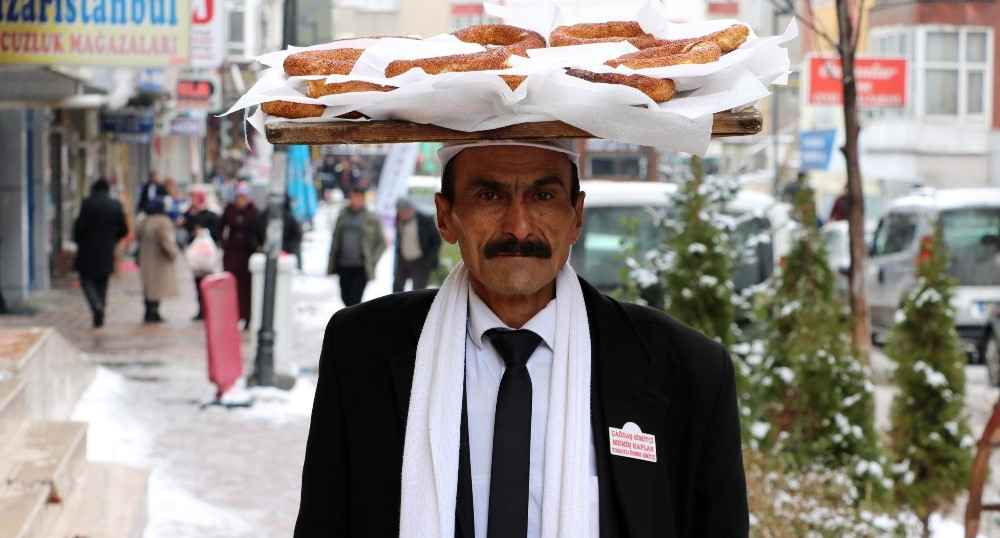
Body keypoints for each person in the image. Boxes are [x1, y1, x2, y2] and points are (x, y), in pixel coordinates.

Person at [296, 140, 749, 537]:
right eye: (489, 195)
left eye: (544, 196)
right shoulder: (361, 353)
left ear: (576, 218)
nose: (518, 226)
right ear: (445, 217)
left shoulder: (688, 371)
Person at [72, 178, 128, 328]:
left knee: (86, 280)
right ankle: (100, 311)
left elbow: (79, 227)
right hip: (106, 250)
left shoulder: (88, 204)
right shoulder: (114, 205)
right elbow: (124, 229)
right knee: (102, 283)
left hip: (87, 250)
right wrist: (113, 239)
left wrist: (79, 241)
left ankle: (97, 307)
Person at [326, 185, 386, 306]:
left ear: (363, 199)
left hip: (361, 266)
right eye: (353, 197)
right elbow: (336, 238)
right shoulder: (343, 215)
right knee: (345, 296)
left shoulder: (371, 218)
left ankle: (353, 323)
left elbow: (381, 242)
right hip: (344, 264)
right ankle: (351, 321)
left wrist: (373, 260)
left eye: (358, 197)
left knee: (355, 299)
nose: (355, 200)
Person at [217, 182, 259, 328]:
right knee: (231, 284)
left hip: (247, 253)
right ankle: (233, 316)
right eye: (239, 197)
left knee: (246, 287)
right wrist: (224, 242)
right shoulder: (229, 210)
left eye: (243, 197)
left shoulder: (254, 211)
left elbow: (257, 230)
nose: (241, 201)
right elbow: (221, 227)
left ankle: (247, 317)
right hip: (232, 253)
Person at [179, 186, 220, 320]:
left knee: (208, 282)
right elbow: (184, 228)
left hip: (207, 255)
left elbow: (217, 232)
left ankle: (208, 308)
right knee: (197, 283)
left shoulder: (210, 215)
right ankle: (201, 310)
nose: (192, 200)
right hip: (195, 255)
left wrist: (204, 232)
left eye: (194, 197)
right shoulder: (188, 214)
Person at [136, 197, 180, 322]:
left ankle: (150, 311)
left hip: (146, 258)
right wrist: (173, 253)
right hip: (159, 259)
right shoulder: (162, 221)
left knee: (149, 287)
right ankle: (153, 313)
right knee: (157, 288)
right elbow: (166, 241)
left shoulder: (144, 221)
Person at [392, 197, 441, 292]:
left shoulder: (424, 220)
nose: (401, 214)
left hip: (421, 260)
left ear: (410, 209)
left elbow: (436, 240)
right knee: (397, 286)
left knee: (418, 290)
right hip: (403, 259)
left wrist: (430, 258)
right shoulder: (399, 219)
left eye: (402, 212)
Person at [251, 194, 304, 270]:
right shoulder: (261, 216)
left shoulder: (288, 217)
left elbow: (296, 236)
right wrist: (258, 247)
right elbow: (254, 234)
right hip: (264, 255)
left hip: (284, 256)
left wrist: (287, 249)